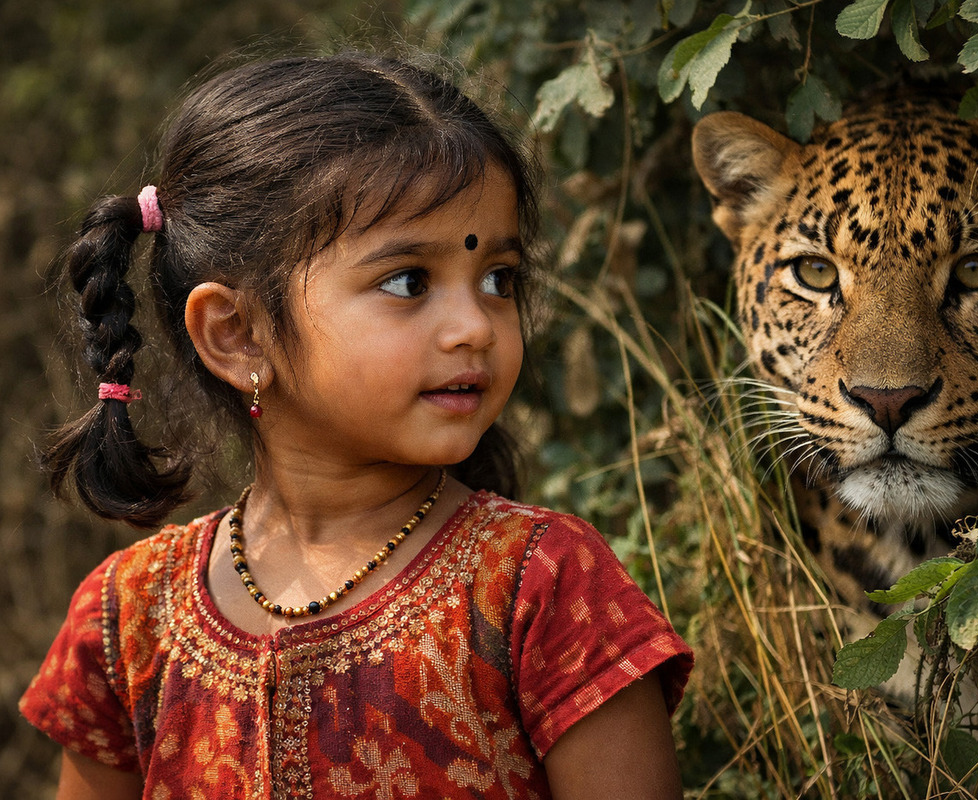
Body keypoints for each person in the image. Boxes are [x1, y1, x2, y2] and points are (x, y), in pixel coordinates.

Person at [20, 51, 692, 800]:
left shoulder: (544, 588)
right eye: (409, 282)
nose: (475, 325)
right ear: (237, 334)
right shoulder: (127, 618)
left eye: (500, 279)